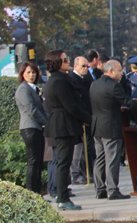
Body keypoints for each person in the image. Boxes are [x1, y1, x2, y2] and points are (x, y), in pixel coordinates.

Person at [90, 60, 137, 200]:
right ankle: (112, 190)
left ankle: (100, 189)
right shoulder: (113, 86)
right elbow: (128, 102)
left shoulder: (94, 84)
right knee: (112, 159)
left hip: (97, 127)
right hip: (110, 127)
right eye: (119, 70)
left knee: (100, 159)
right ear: (111, 71)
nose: (122, 73)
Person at [43, 50, 92, 211]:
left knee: (61, 162)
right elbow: (70, 105)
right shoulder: (59, 81)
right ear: (57, 62)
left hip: (60, 125)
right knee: (63, 163)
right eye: (65, 60)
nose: (67, 62)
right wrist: (88, 118)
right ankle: (62, 197)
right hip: (62, 126)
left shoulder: (58, 79)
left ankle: (61, 195)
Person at [15, 61, 48, 194]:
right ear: (22, 74)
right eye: (28, 72)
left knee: (38, 161)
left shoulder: (34, 88)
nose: (31, 75)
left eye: (33, 72)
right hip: (29, 128)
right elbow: (31, 110)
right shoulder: (23, 89)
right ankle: (31, 192)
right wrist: (46, 121)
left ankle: (37, 191)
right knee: (33, 161)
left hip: (37, 128)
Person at [69, 56, 93, 185]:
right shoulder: (72, 79)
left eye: (87, 66)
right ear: (76, 66)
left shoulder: (87, 78)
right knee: (79, 149)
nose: (86, 69)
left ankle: (86, 173)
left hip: (88, 117)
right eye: (83, 66)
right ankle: (76, 174)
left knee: (87, 148)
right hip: (79, 119)